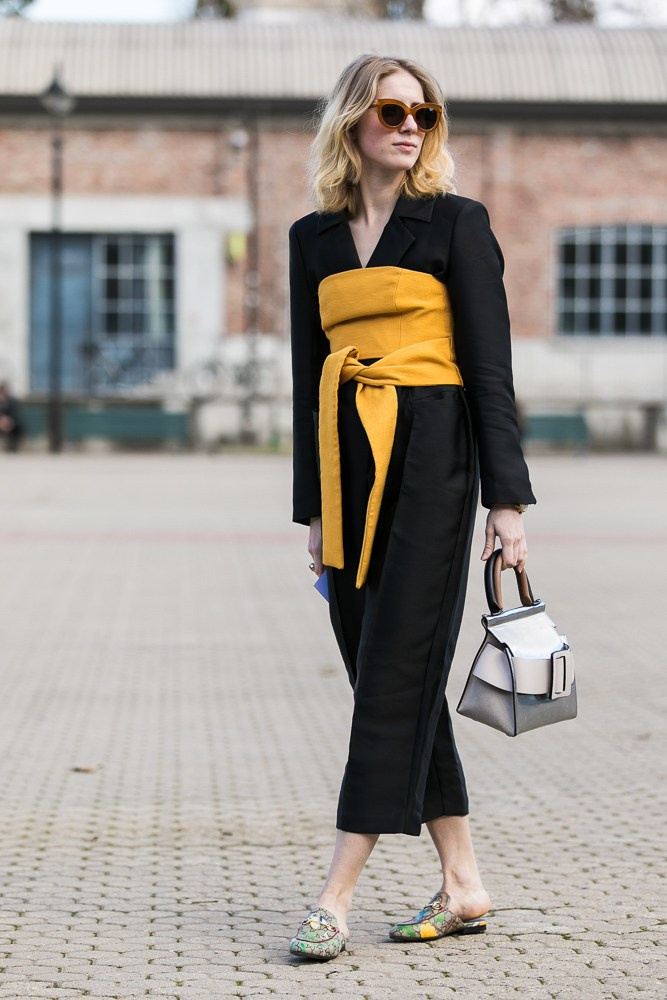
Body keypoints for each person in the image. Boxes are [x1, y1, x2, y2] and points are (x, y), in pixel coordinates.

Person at [288, 53, 535, 961]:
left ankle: (336, 893)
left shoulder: (457, 223)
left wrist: (506, 503)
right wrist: (315, 509)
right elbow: (304, 381)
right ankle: (463, 883)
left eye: (422, 114)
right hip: (346, 469)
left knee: (394, 670)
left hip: (434, 456)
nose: (409, 127)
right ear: (352, 120)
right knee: (386, 672)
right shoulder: (311, 238)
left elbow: (489, 370)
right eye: (391, 111)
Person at [0, 382, 24, 452]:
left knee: (18, 425)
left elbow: (15, 413)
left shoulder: (12, 401)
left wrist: (9, 421)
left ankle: (13, 445)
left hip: (11, 422)